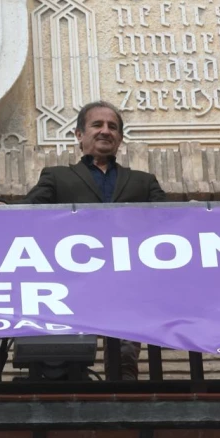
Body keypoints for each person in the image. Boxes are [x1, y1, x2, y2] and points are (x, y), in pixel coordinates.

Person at [24, 100, 166, 380]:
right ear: (79, 135)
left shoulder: (143, 181)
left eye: (112, 127)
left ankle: (123, 395)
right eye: (97, 125)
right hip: (74, 277)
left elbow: (167, 219)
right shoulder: (57, 176)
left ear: (120, 138)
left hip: (127, 277)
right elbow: (29, 209)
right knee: (71, 358)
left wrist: (197, 211)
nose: (105, 131)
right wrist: (2, 206)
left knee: (124, 358)